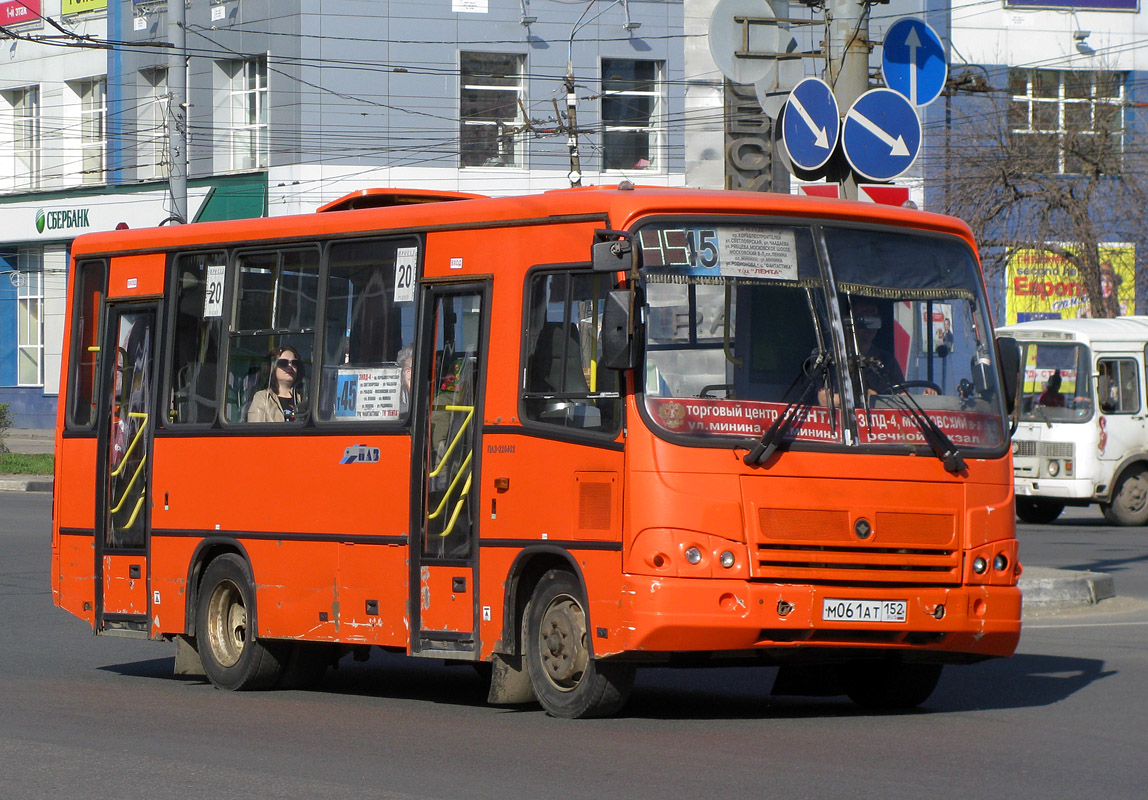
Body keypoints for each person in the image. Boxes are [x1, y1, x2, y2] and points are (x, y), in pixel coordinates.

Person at [248, 346, 305, 422]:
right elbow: (255, 431)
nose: (290, 366)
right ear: (272, 368)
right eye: (283, 363)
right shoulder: (262, 398)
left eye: (294, 363)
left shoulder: (305, 397)